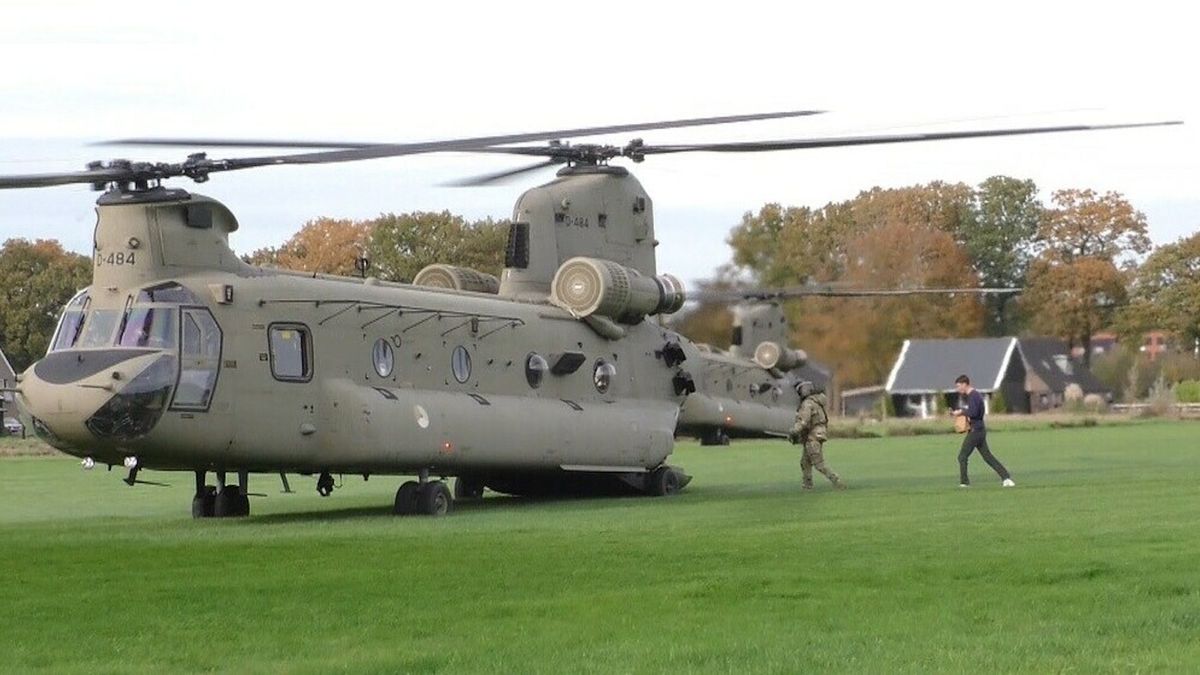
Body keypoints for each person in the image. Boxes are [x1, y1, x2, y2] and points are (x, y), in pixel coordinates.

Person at [951, 374, 1016, 488]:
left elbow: (974, 412)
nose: (958, 389)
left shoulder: (973, 396)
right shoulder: (974, 395)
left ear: (965, 384)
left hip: (976, 431)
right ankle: (1006, 478)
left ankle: (964, 483)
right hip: (980, 430)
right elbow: (973, 411)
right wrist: (964, 411)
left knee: (962, 456)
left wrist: (960, 412)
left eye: (959, 386)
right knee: (988, 457)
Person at [788, 381, 846, 490]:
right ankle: (807, 486)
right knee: (805, 462)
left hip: (812, 436)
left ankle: (837, 481)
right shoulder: (817, 402)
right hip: (817, 434)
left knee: (819, 464)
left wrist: (794, 431)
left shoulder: (807, 404)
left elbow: (804, 422)